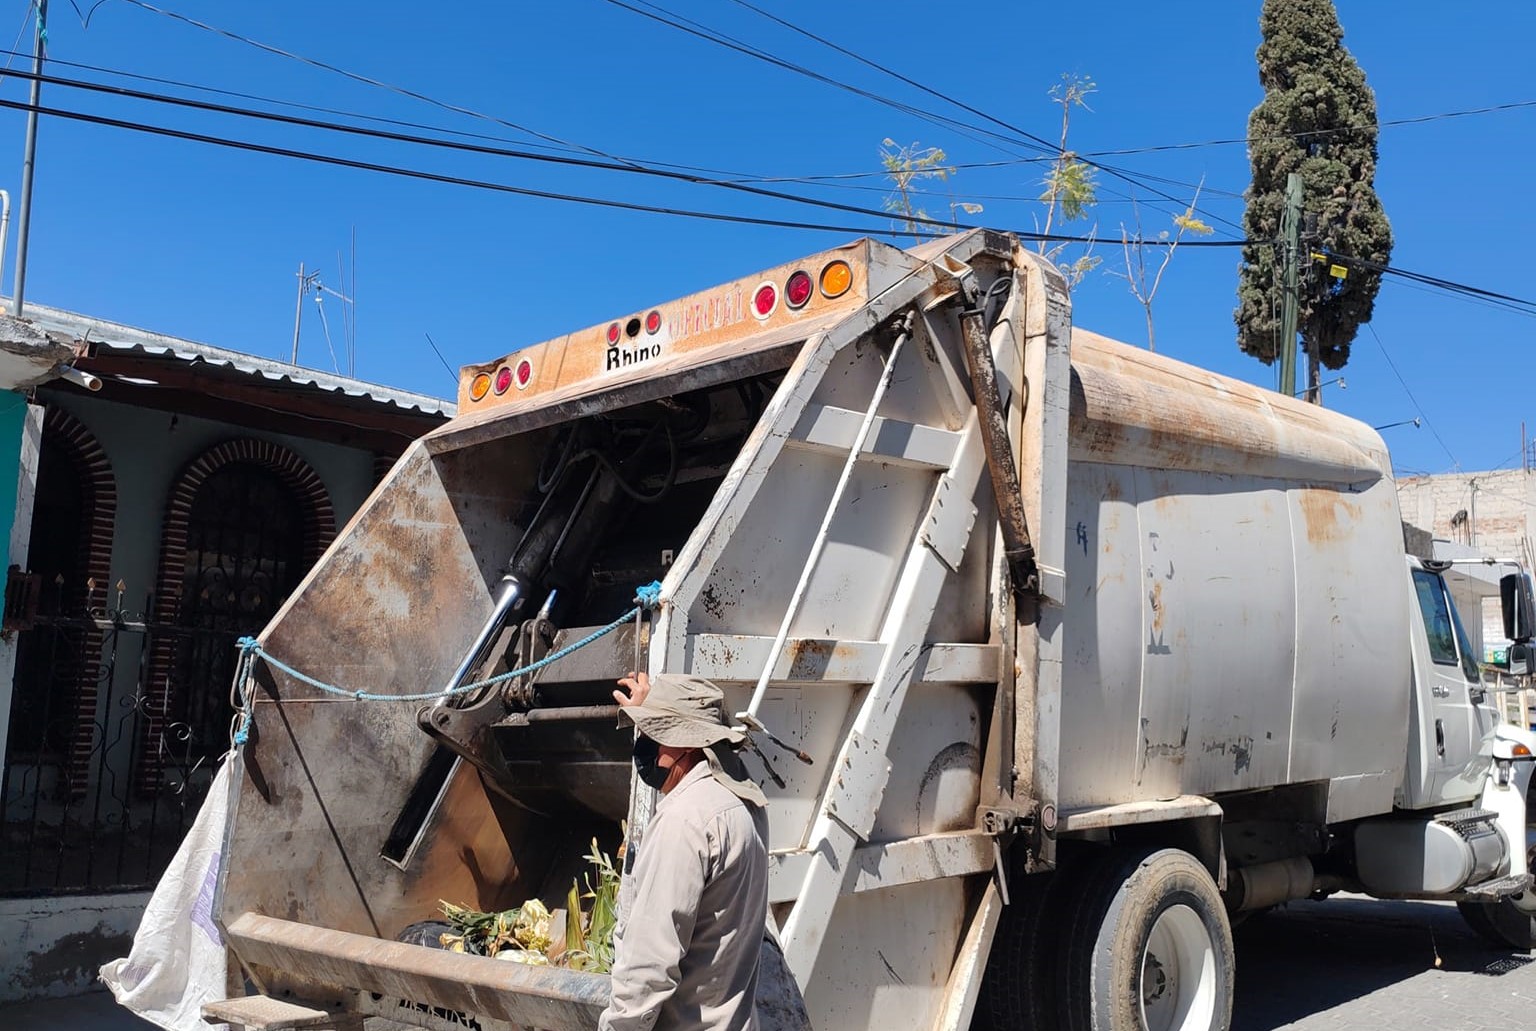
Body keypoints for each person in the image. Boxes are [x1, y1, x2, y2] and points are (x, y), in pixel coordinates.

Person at [598, 671, 770, 1031]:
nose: (644, 746)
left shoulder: (685, 821)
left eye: (653, 734)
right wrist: (654, 705)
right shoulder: (744, 801)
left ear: (688, 744)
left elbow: (649, 964)